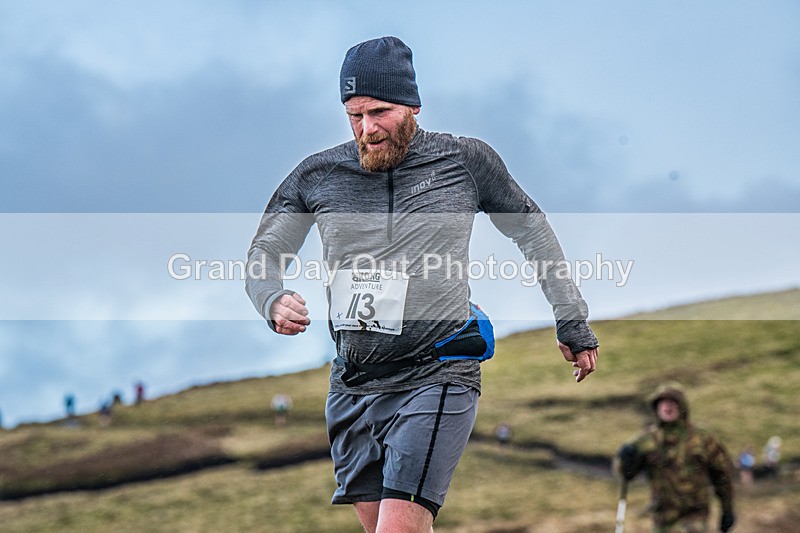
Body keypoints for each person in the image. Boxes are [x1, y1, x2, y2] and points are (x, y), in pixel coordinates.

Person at [246, 36, 599, 532]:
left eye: (380, 112)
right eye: (354, 115)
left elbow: (532, 231)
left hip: (437, 372)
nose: (367, 129)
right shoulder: (318, 175)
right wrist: (271, 298)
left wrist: (571, 319)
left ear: (413, 105)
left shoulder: (464, 161)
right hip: (353, 384)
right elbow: (264, 254)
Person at [616, 383, 735, 532]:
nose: (668, 407)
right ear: (656, 407)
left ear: (682, 406)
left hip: (694, 516)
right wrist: (626, 459)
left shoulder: (703, 439)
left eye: (673, 402)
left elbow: (722, 474)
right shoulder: (646, 441)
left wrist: (727, 509)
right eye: (663, 402)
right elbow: (626, 474)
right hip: (662, 518)